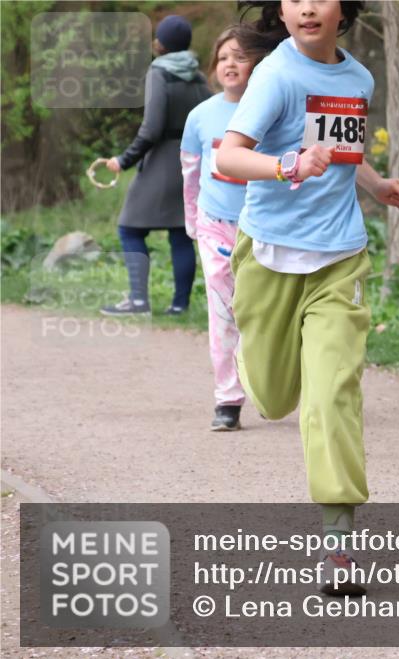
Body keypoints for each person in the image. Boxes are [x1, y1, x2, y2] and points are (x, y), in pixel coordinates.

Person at [216, 0, 399, 594]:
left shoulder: (358, 77)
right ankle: (257, 360)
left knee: (331, 397)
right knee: (274, 399)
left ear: (343, 9)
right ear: (283, 8)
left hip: (339, 257)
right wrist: (288, 165)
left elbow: (341, 152)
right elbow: (228, 156)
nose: (307, 6)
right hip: (270, 253)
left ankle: (339, 544)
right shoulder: (275, 75)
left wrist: (378, 186)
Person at [102, 15, 211, 316]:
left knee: (129, 228)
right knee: (180, 233)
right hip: (192, 162)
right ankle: (180, 305)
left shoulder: (158, 73)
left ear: (160, 44)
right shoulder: (199, 77)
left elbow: (151, 128)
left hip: (162, 162)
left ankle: (138, 300)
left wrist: (123, 160)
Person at [179, 27, 257, 431]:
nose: (231, 63)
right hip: (215, 228)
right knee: (223, 312)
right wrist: (193, 223)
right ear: (214, 66)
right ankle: (228, 399)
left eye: (240, 56)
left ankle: (268, 382)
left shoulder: (270, 112)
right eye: (224, 56)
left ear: (256, 65)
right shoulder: (200, 116)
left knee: (262, 312)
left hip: (263, 229)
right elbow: (190, 175)